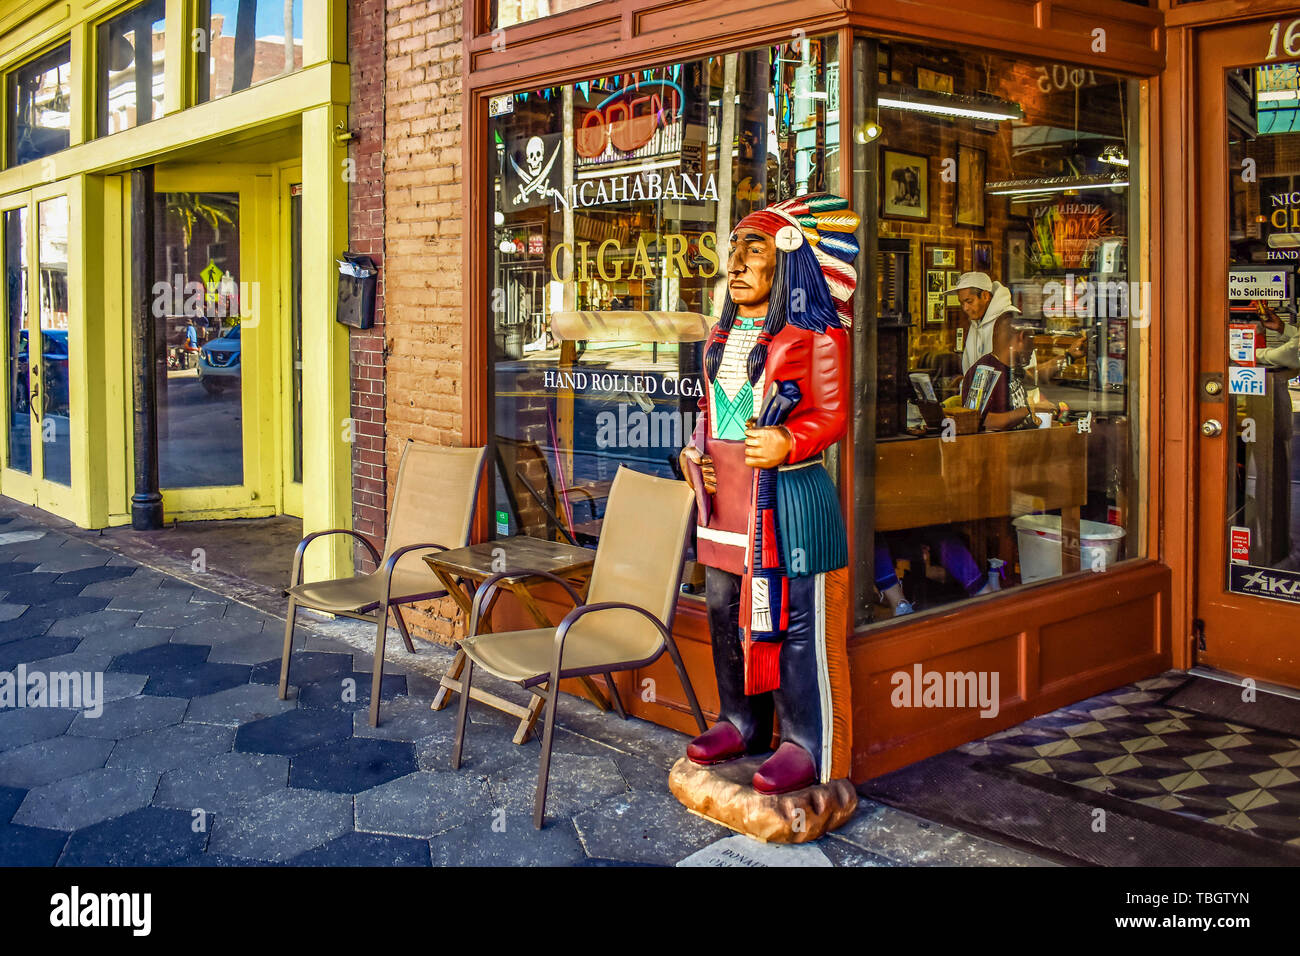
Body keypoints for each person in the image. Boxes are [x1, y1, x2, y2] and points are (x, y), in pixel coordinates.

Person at [678, 193, 857, 795]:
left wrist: (789, 438)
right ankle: (741, 719)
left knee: (794, 621)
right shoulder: (721, 338)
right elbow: (714, 410)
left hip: (786, 502)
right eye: (732, 249)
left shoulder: (817, 332)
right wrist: (695, 449)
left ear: (786, 262)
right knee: (725, 610)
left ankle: (804, 740)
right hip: (726, 498)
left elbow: (832, 415)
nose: (735, 262)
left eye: (752, 249)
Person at [962, 312, 1067, 431]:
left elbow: (1035, 375)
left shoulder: (1012, 370)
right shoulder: (984, 371)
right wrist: (1031, 408)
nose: (1033, 348)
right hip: (998, 448)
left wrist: (1068, 357)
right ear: (1021, 337)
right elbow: (983, 421)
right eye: (1032, 340)